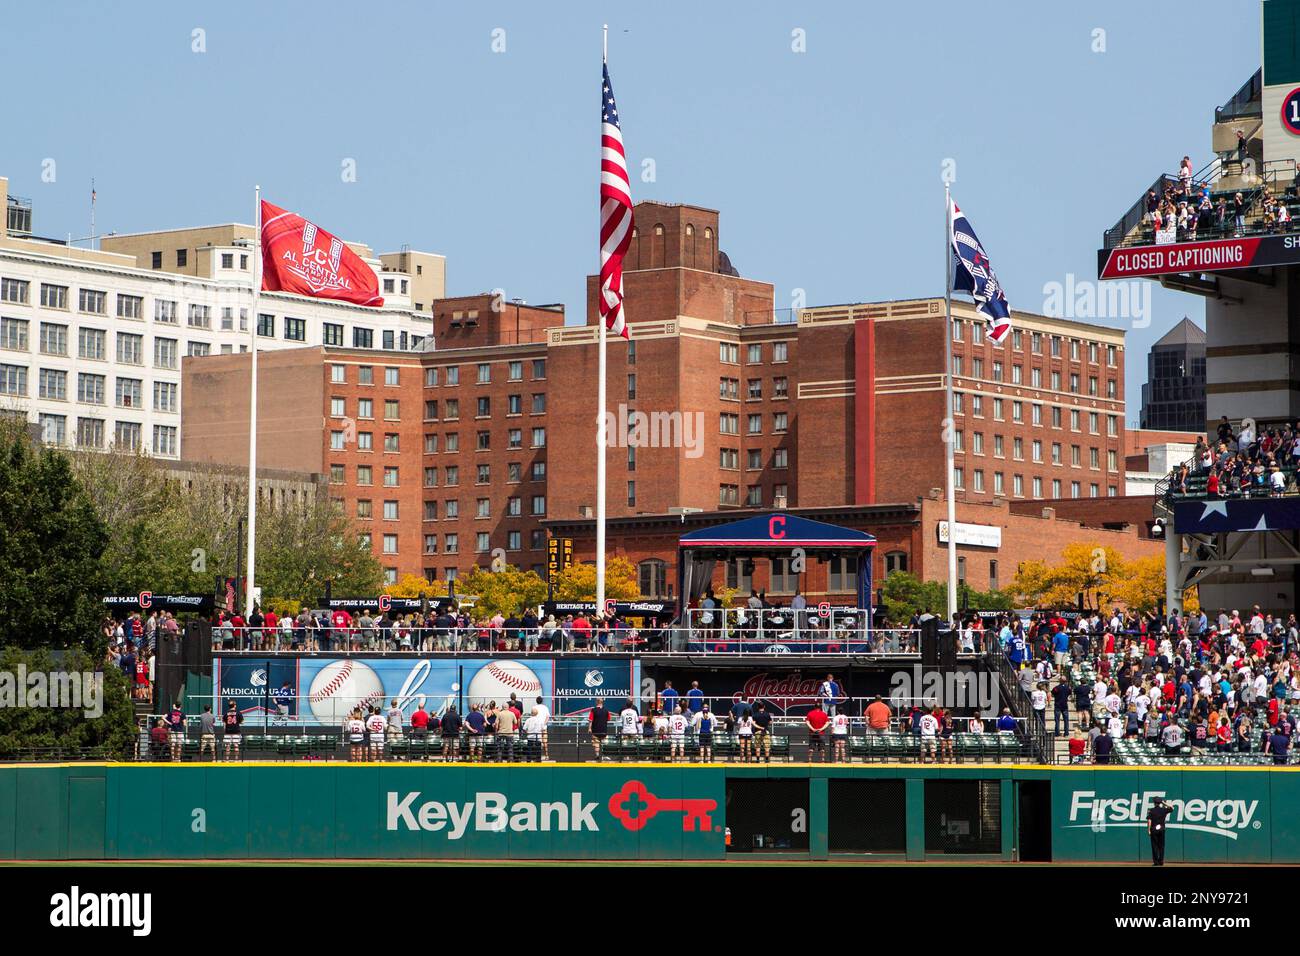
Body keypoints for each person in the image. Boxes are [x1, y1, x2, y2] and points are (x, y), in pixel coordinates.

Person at [1147, 796, 1171, 866]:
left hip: (1154, 829)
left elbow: (1149, 820)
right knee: (1161, 846)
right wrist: (1164, 803)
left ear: (1154, 803)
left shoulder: (1151, 810)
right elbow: (1172, 808)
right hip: (1162, 829)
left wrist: (1148, 830)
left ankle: (1156, 862)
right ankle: (1161, 861)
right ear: (1160, 803)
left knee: (1154, 846)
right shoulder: (1163, 810)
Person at [588, 697, 611, 761]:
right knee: (604, 743)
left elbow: (590, 720)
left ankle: (597, 755)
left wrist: (589, 728)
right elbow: (609, 719)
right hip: (604, 730)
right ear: (602, 702)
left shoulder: (593, 710)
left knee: (596, 743)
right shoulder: (606, 710)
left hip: (595, 730)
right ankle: (604, 756)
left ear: (596, 702)